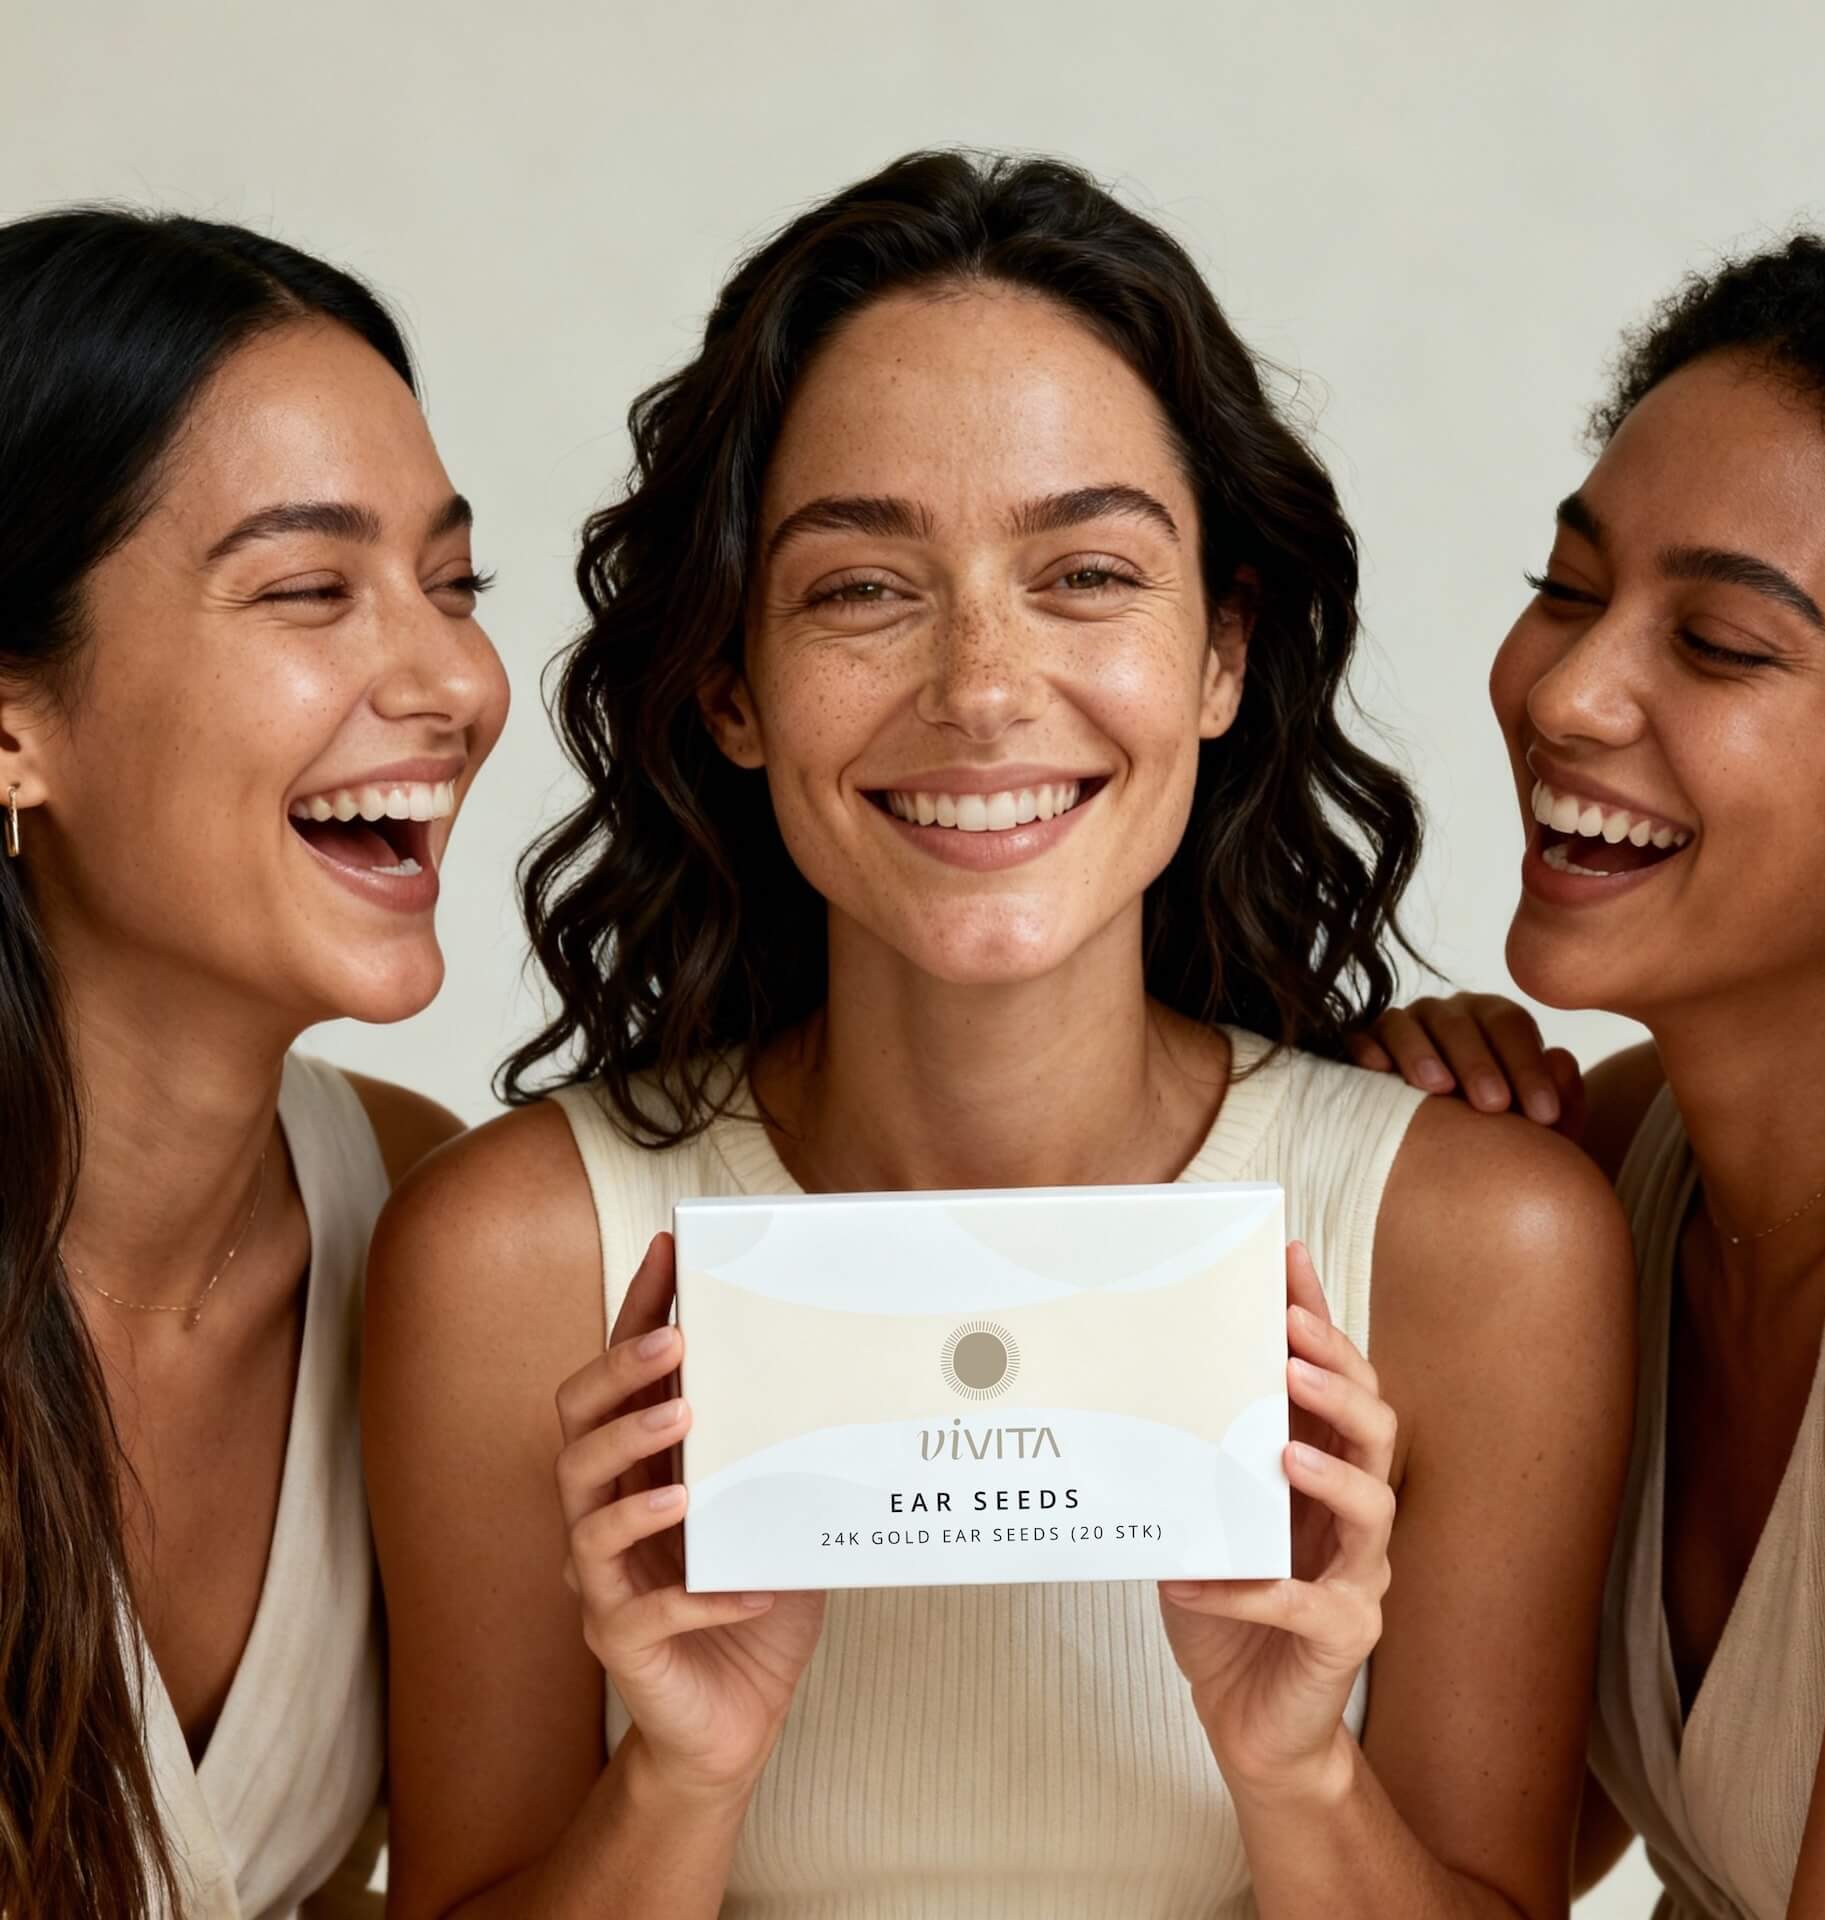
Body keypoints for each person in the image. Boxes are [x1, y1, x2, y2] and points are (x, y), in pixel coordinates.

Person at [365, 150, 1632, 1919]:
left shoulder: (1481, 1250)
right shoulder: (510, 1261)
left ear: (1221, 656)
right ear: (731, 684)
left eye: (1089, 573)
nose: (979, 687)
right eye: (862, 589)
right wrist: (678, 1779)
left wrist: (1298, 1771)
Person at [1353, 228, 1825, 1916]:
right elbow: (1509, 1859)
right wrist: (1392, 1189)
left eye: (1724, 647)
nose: (1573, 694)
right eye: (1569, 588)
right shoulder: (1605, 1166)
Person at [0, 209, 509, 1919]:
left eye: (452, 584)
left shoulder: (418, 1209)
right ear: (13, 723)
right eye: (310, 591)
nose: (451, 677)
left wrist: (1305, 1095)